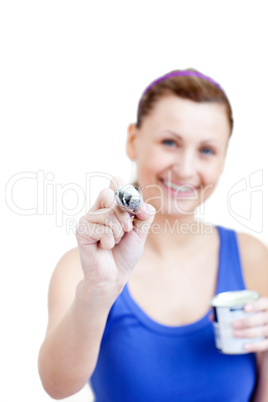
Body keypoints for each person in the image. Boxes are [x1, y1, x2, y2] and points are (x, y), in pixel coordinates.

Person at [38, 69, 268, 401]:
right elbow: (57, 386)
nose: (186, 169)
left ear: (222, 161)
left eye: (207, 150)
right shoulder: (82, 267)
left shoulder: (252, 257)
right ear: (133, 140)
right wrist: (99, 291)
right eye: (170, 142)